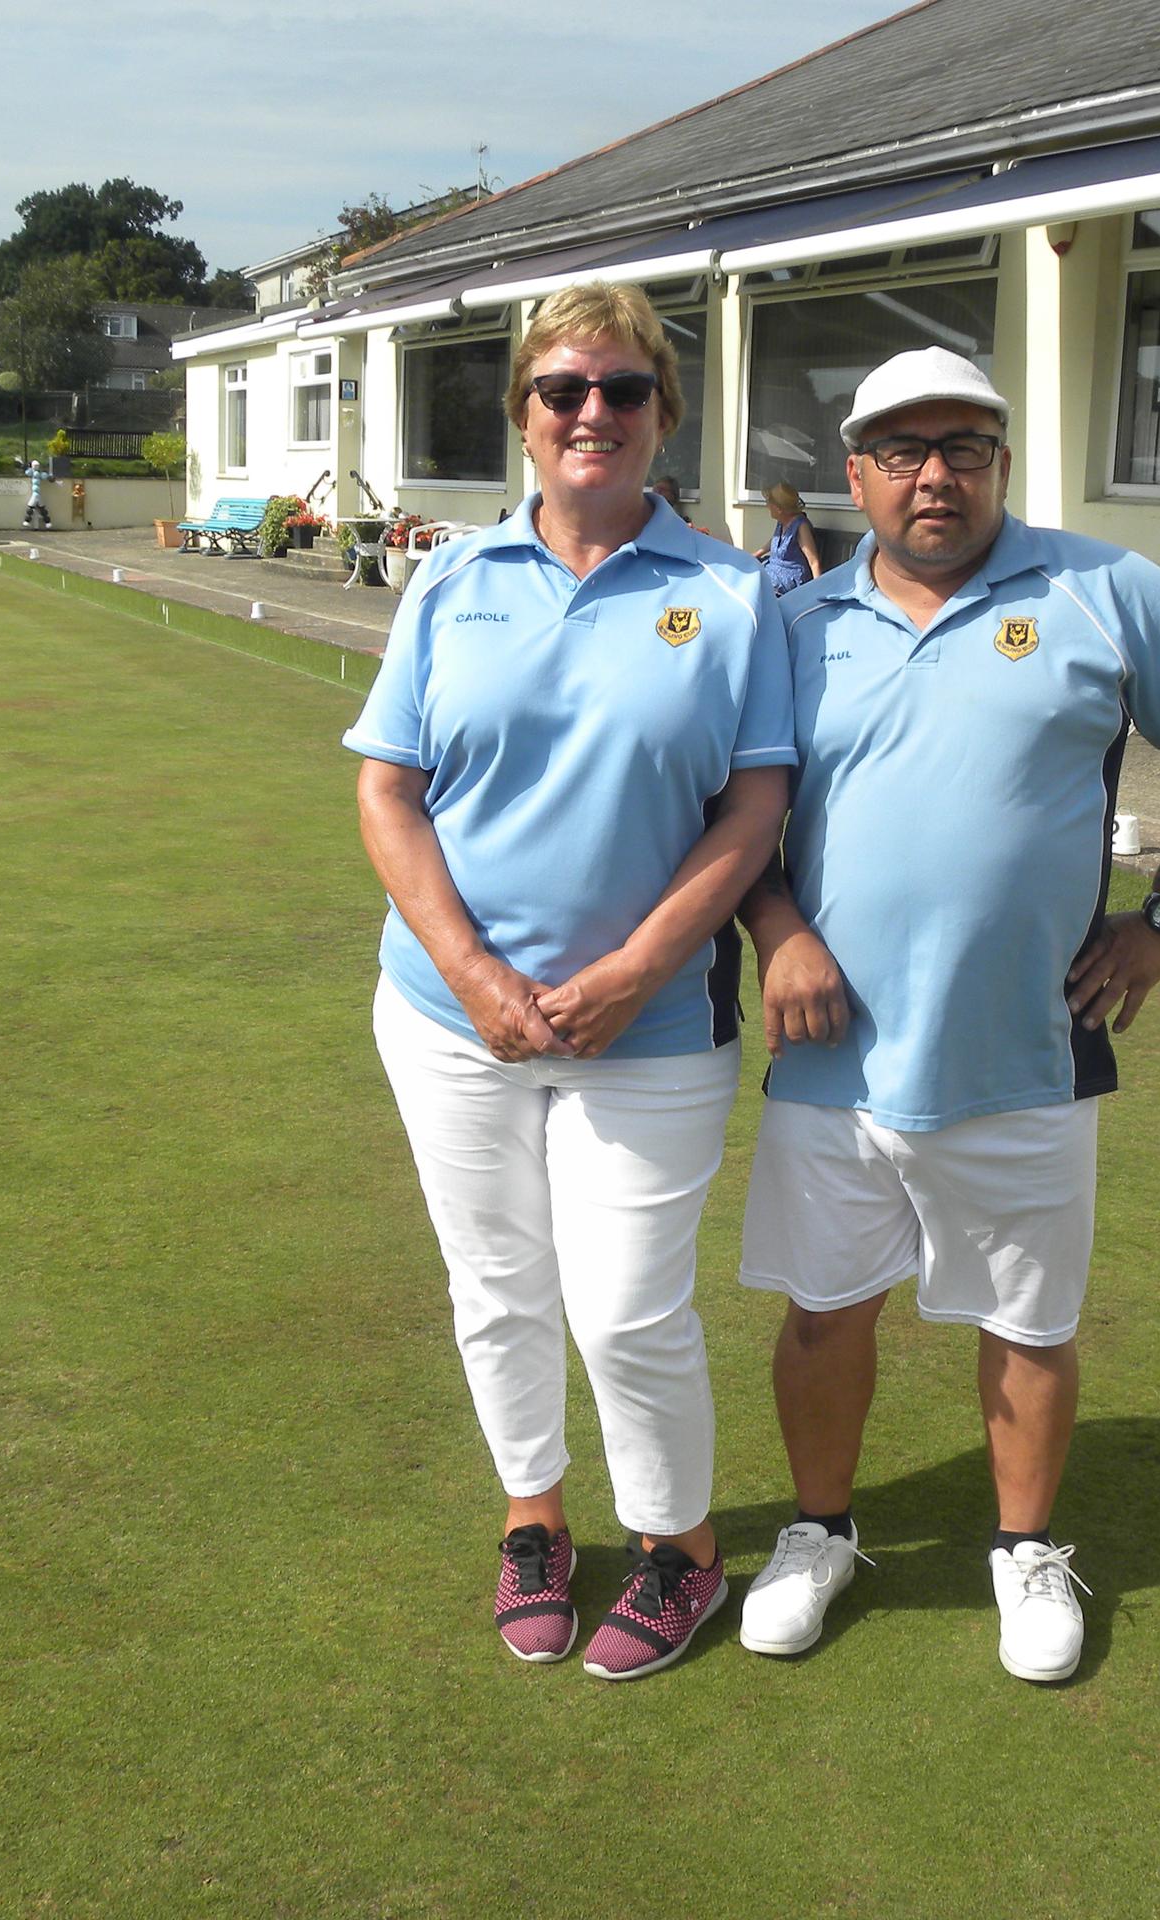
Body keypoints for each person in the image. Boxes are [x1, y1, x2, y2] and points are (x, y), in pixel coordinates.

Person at [732, 346, 1160, 1684]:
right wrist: (779, 929)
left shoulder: (1106, 589)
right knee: (822, 1312)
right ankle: (819, 1532)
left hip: (1027, 1043)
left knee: (1030, 1322)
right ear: (855, 473)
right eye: (902, 450)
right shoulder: (791, 627)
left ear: (1001, 464)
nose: (934, 475)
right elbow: (737, 819)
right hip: (832, 1056)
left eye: (963, 447)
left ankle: (1026, 1553)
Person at [344, 282, 794, 1682]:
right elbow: (389, 792)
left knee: (624, 1307)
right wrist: (473, 974)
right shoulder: (452, 580)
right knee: (497, 1285)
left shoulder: (730, 593)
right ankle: (532, 1517)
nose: (592, 412)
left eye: (622, 390)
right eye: (562, 391)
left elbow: (755, 803)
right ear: (526, 420)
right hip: (447, 1020)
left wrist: (636, 967)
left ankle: (680, 1549)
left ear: (662, 414)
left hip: (652, 1028)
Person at [754, 481, 822, 596]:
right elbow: (776, 541)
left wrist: (817, 593)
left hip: (788, 579)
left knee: (756, 586)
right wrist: (757, 554)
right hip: (773, 571)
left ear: (778, 509)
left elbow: (814, 562)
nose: (767, 506)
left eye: (768, 503)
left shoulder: (801, 526)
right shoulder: (782, 522)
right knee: (748, 574)